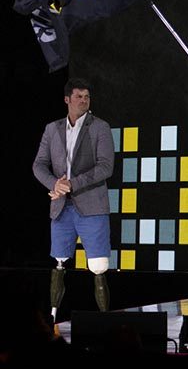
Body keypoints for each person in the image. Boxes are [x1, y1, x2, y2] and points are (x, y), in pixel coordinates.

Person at [33, 78, 115, 320]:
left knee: (98, 266)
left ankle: (106, 321)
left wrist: (72, 184)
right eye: (78, 96)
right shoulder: (52, 128)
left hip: (91, 205)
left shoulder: (100, 127)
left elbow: (106, 167)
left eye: (87, 97)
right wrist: (54, 184)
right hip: (61, 207)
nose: (83, 101)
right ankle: (53, 318)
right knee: (59, 261)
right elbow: (38, 165)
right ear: (67, 99)